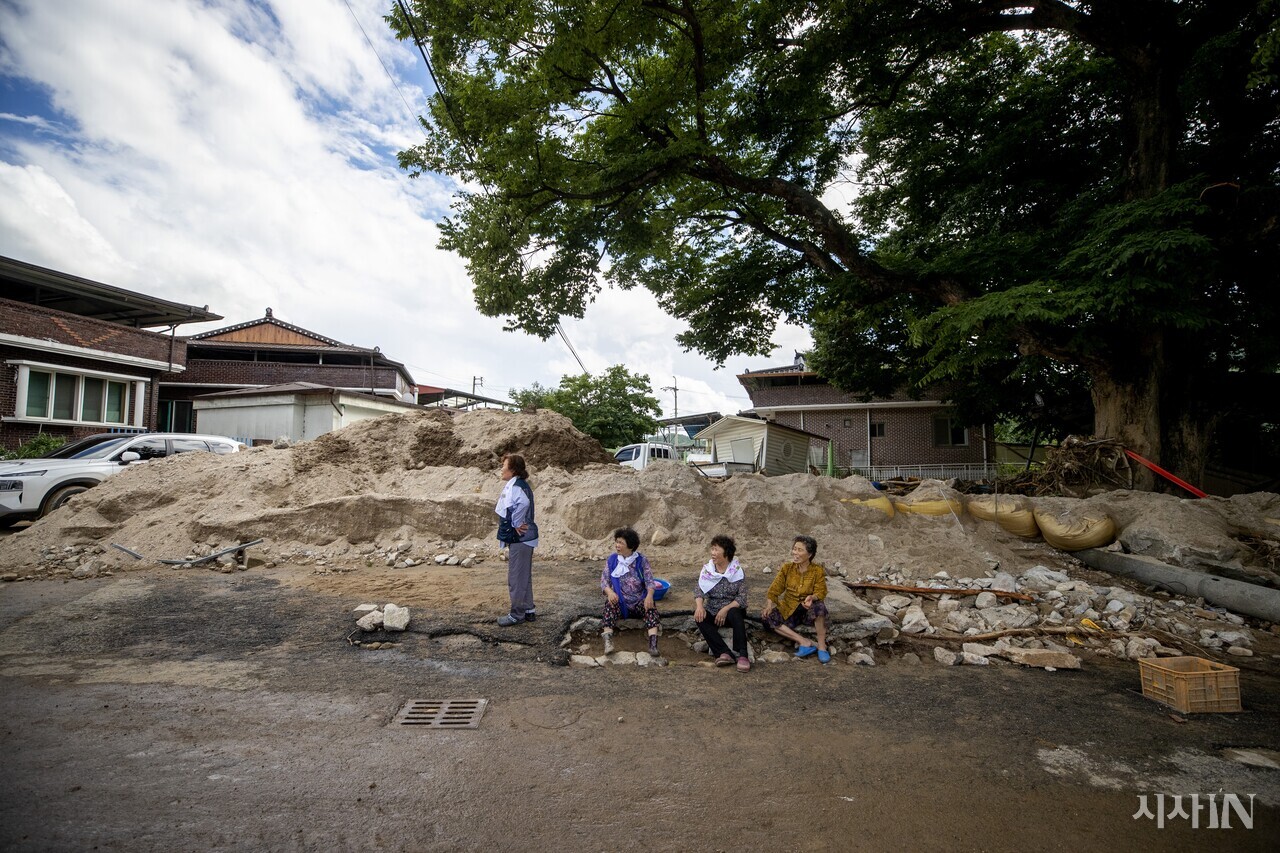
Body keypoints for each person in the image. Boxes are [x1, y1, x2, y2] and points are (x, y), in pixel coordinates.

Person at [761, 535, 831, 662]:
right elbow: (774, 590)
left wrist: (812, 597)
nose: (795, 553)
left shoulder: (817, 571)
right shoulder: (787, 568)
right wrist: (769, 605)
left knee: (819, 607)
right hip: (789, 609)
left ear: (809, 554)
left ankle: (821, 647)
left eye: (800, 550)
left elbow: (821, 591)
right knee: (767, 618)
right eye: (794, 549)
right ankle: (804, 642)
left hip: (808, 610)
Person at [693, 534, 751, 672]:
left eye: (716, 550)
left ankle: (743, 654)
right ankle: (724, 653)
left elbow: (742, 598)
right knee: (700, 617)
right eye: (712, 549)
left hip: (731, 611)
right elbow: (699, 590)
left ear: (726, 553)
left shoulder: (737, 571)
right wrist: (699, 606)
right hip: (713, 610)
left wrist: (725, 609)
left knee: (735, 613)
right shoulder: (708, 570)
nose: (713, 553)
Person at [599, 527, 661, 655]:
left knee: (651, 608)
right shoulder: (612, 560)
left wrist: (649, 596)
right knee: (609, 606)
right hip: (621, 602)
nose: (617, 545)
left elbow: (650, 581)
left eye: (621, 542)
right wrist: (610, 593)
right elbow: (604, 580)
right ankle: (608, 643)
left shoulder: (641, 561)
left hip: (639, 601)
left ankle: (653, 645)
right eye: (617, 542)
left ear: (631, 546)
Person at [495, 453, 539, 626]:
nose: (501, 469)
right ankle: (529, 610)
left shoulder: (516, 487)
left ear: (512, 470)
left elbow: (523, 504)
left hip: (521, 539)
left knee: (516, 578)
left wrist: (516, 523)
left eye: (503, 466)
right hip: (525, 539)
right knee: (523, 576)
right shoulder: (519, 484)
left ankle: (517, 615)